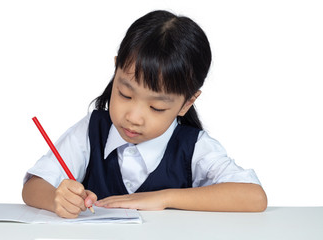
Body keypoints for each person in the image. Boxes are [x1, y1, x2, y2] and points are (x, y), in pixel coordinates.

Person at [22, 10, 267, 218]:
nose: (134, 117)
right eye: (125, 95)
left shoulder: (194, 147)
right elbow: (33, 187)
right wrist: (58, 199)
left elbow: (254, 196)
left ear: (186, 103)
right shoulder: (91, 131)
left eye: (156, 108)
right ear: (116, 69)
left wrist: (163, 198)